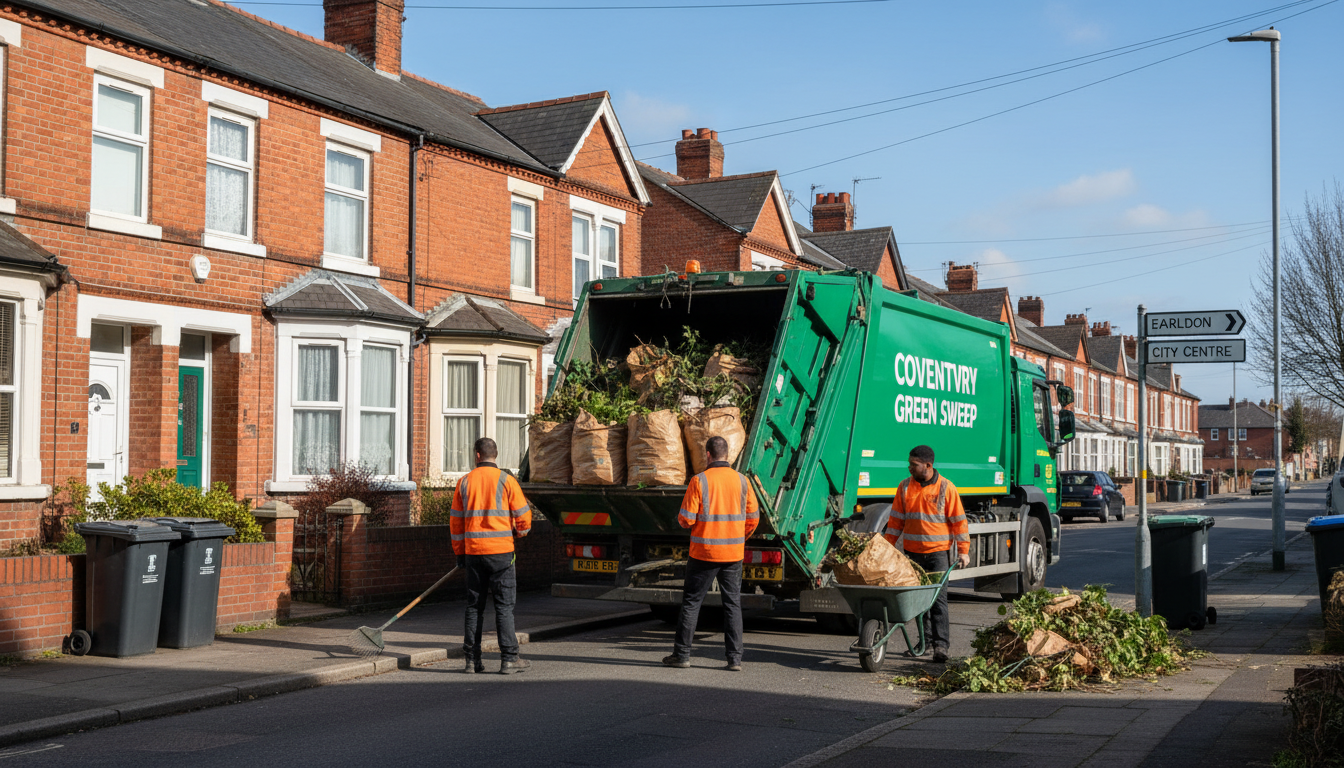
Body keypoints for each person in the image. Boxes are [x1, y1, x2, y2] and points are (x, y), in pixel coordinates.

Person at [663, 436, 760, 672]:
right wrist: (737, 538)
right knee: (732, 605)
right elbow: (754, 518)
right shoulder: (743, 481)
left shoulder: (699, 481)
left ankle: (682, 655)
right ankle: (734, 659)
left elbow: (686, 518)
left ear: (708, 455)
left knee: (691, 604)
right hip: (733, 554)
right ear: (728, 455)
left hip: (703, 553)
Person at [451, 437, 533, 674]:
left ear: (477, 455)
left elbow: (456, 524)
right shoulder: (507, 481)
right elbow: (524, 519)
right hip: (501, 554)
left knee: (474, 607)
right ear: (495, 455)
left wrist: (460, 554)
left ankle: (471, 660)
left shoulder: (464, 482)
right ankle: (509, 659)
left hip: (474, 553)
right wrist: (517, 534)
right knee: (504, 607)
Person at [883, 444, 969, 664]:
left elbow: (959, 523)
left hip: (937, 555)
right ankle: (924, 643)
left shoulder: (946, 488)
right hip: (912, 554)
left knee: (938, 601)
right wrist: (886, 547)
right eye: (909, 463)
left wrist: (963, 551)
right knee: (919, 603)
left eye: (914, 464)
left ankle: (941, 646)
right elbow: (895, 522)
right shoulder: (904, 487)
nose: (909, 468)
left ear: (928, 466)